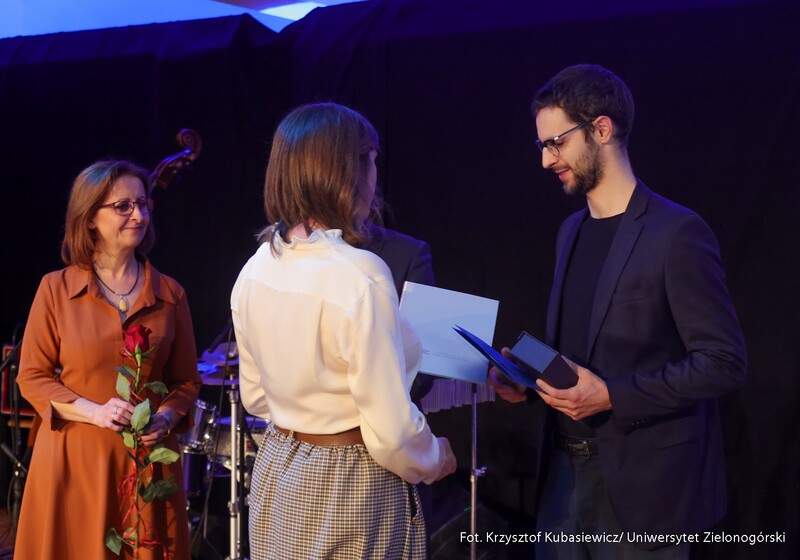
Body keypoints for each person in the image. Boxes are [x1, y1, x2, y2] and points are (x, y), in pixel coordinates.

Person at [489, 65, 747, 559]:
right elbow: (582, 354)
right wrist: (527, 380)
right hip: (561, 480)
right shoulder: (570, 231)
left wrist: (612, 395)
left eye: (557, 143)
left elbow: (723, 362)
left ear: (602, 130)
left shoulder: (677, 233)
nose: (546, 160)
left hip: (644, 491)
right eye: (542, 145)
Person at [231, 102, 457, 559]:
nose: (375, 175)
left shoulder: (255, 268)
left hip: (278, 469)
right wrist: (436, 458)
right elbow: (392, 433)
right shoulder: (360, 274)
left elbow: (255, 397)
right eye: (371, 160)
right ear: (346, 171)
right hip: (348, 482)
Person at [15, 160, 202, 559]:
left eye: (142, 204)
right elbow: (31, 376)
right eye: (123, 206)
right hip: (73, 461)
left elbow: (186, 381)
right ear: (89, 218)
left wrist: (166, 417)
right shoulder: (55, 289)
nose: (139, 215)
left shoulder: (171, 294)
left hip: (146, 464)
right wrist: (94, 411)